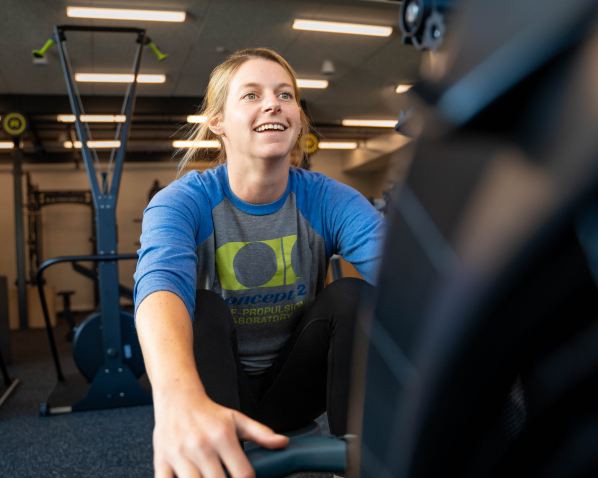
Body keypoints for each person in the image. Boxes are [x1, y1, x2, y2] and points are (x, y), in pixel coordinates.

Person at [134, 48, 386, 478]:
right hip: (216, 391)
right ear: (217, 122)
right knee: (203, 307)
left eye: (285, 95)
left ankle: (369, 462)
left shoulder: (327, 198)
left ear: (298, 119)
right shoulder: (183, 201)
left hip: (295, 385)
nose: (273, 103)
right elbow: (159, 284)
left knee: (351, 296)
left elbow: (401, 273)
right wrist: (176, 400)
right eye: (250, 95)